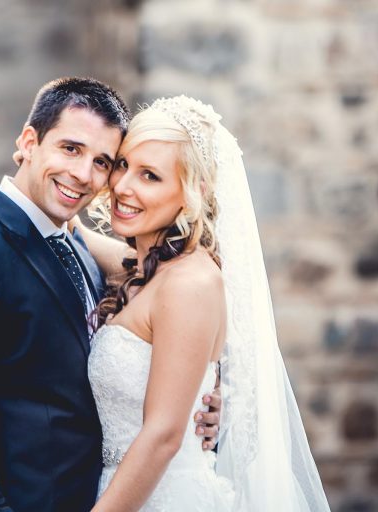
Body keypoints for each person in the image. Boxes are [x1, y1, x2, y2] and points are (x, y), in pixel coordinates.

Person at [0, 78, 221, 512]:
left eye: (102, 162)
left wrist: (201, 403)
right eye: (70, 149)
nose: (83, 175)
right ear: (28, 141)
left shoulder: (77, 245)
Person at [74, 96, 331, 511]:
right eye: (122, 164)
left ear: (195, 191)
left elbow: (163, 436)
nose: (122, 186)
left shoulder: (189, 283)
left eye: (150, 176)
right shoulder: (149, 270)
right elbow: (79, 238)